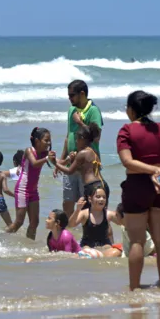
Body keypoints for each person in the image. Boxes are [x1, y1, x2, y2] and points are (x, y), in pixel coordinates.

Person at [117, 90, 160, 290]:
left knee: (136, 240)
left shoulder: (126, 131)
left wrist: (152, 170)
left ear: (132, 109)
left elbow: (128, 161)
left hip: (137, 186)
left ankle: (134, 288)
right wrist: (159, 170)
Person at [56, 80, 104, 217]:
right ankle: (69, 236)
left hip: (87, 168)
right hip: (70, 163)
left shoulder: (93, 110)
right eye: (69, 95)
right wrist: (60, 160)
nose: (69, 99)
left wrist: (80, 122)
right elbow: (68, 136)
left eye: (72, 95)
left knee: (87, 205)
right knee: (67, 204)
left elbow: (96, 137)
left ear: (82, 94)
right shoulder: (72, 110)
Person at [7, 127, 55, 239]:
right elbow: (34, 163)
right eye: (46, 140)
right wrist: (47, 158)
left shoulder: (44, 153)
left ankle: (29, 245)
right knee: (19, 222)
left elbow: (57, 162)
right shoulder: (29, 150)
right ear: (37, 141)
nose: (49, 143)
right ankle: (2, 237)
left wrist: (68, 159)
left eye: (49, 140)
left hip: (33, 191)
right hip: (22, 189)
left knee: (35, 223)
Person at [54, 123, 109, 204]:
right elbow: (84, 170)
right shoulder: (92, 151)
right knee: (99, 215)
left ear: (82, 139)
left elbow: (69, 171)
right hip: (102, 185)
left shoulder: (82, 153)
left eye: (77, 139)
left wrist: (54, 163)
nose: (76, 142)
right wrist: (72, 160)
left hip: (93, 187)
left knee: (88, 214)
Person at [69, 188, 122, 258]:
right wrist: (77, 209)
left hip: (105, 245)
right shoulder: (84, 214)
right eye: (98, 197)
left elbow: (124, 222)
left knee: (113, 250)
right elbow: (71, 224)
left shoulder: (108, 214)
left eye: (104, 197)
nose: (101, 199)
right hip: (87, 245)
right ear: (90, 199)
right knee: (85, 250)